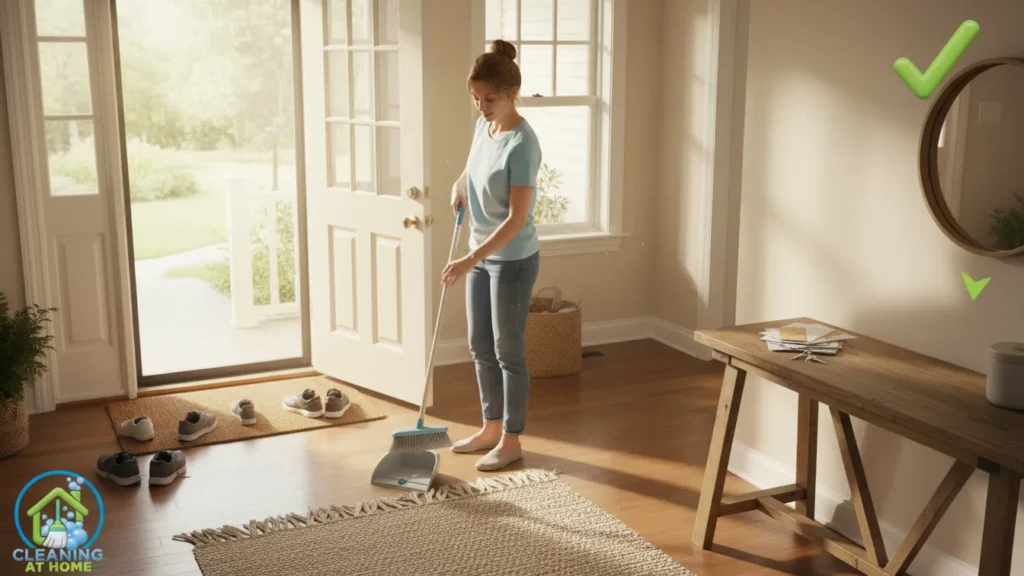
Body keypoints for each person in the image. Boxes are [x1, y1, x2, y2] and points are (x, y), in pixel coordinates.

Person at [440, 39, 542, 471]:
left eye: (490, 98)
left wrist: (467, 260)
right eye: (477, 98)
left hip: (511, 259)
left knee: (508, 351)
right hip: (480, 253)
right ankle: (489, 427)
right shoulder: (487, 125)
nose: (482, 106)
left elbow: (516, 220)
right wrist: (460, 182)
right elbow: (474, 161)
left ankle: (512, 440)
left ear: (512, 93)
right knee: (479, 344)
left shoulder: (523, 144)